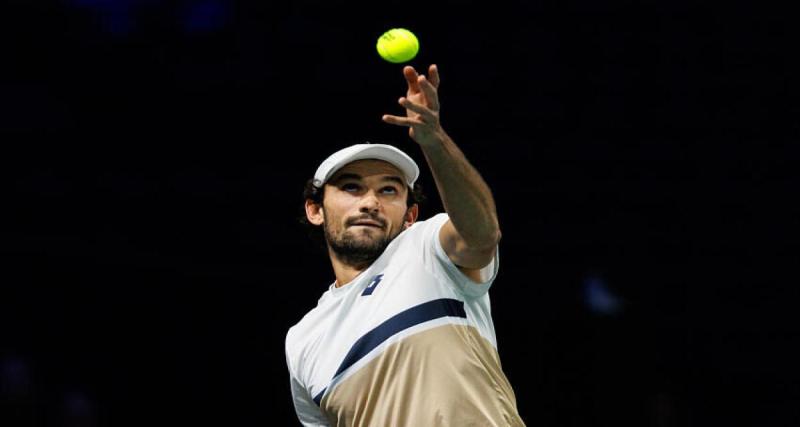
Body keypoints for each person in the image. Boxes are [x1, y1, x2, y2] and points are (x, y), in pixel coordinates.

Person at [285, 64, 525, 426]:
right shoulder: (303, 339)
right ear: (315, 210)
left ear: (410, 215)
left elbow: (481, 236)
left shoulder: (427, 248)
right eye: (351, 188)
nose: (370, 202)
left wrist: (434, 141)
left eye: (388, 190)